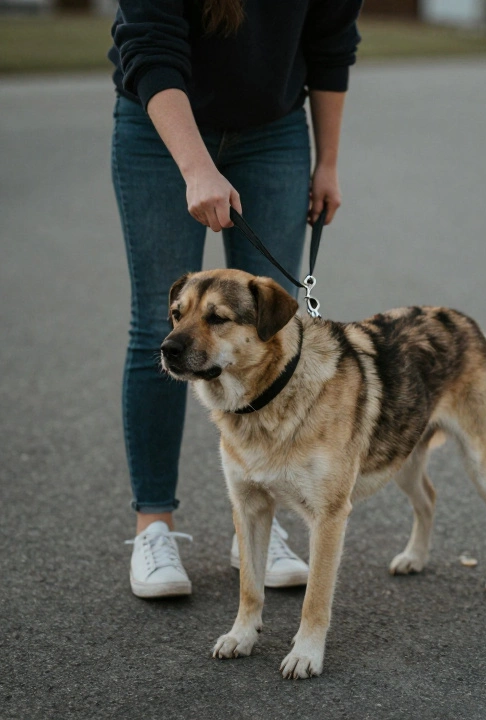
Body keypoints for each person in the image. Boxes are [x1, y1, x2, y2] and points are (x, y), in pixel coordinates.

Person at [110, 0, 361, 598]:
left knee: (272, 333)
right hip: (159, 131)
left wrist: (327, 161)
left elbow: (332, 43)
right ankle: (154, 528)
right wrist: (196, 167)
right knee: (162, 329)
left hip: (274, 131)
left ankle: (258, 521)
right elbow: (148, 45)